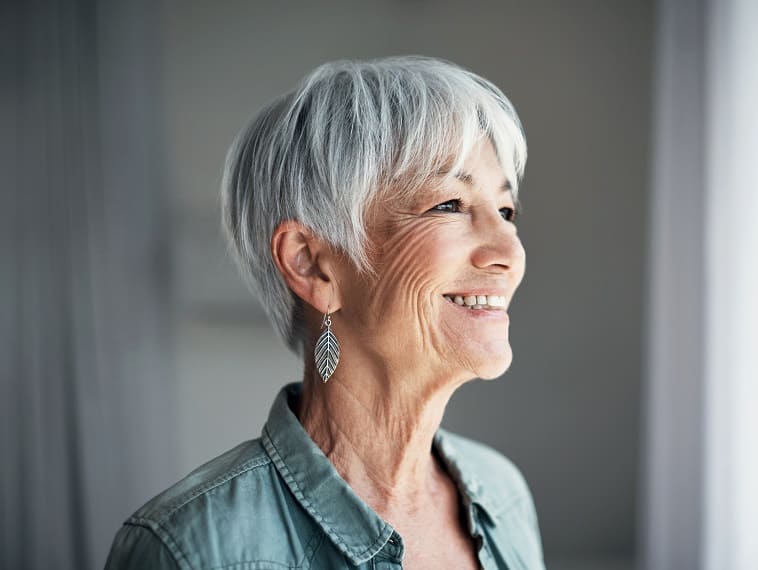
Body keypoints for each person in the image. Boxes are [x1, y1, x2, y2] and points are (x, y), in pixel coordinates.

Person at [105, 55, 544, 569]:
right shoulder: (190, 549)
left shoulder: (503, 496)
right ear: (311, 264)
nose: (510, 253)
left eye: (506, 211)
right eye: (450, 204)